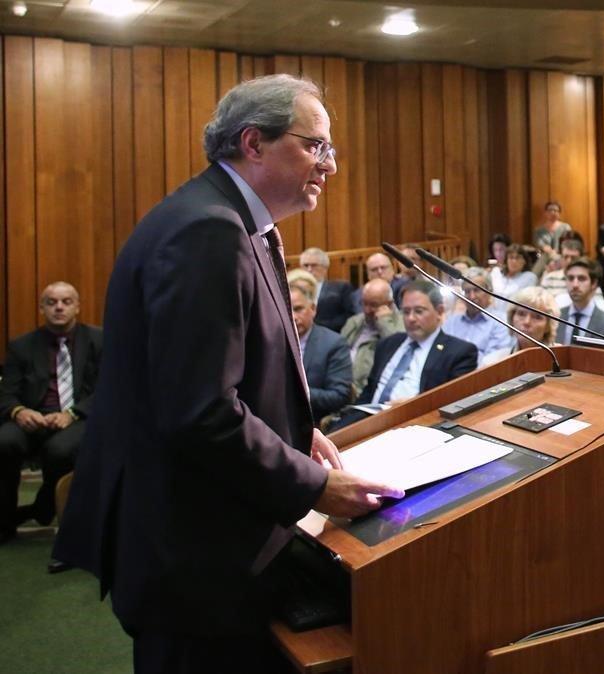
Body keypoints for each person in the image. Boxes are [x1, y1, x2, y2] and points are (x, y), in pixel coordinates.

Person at [54, 75, 405, 671]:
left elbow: (228, 374)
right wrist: (313, 485)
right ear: (253, 142)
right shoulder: (208, 231)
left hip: (204, 536)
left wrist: (294, 433)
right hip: (191, 552)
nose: (330, 166)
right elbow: (198, 410)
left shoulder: (237, 223)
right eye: (315, 146)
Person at [0, 283, 102, 546]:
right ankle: (4, 522)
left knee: (59, 450)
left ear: (77, 307)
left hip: (78, 416)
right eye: (52, 302)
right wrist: (19, 411)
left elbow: (110, 389)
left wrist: (72, 413)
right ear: (42, 308)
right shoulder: (21, 346)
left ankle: (45, 505)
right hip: (33, 417)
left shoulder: (99, 341)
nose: (59, 307)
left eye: (66, 301)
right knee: (4, 442)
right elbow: (6, 393)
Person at [332, 280, 478, 430]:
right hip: (368, 421)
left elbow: (452, 405)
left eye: (419, 311)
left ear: (439, 312)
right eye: (406, 312)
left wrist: (412, 406)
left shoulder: (459, 352)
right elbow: (370, 391)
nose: (411, 318)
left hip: (414, 425)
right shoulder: (388, 344)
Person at [291, 286, 352, 421]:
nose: (293, 317)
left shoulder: (333, 343)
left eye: (298, 309)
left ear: (313, 309)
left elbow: (339, 396)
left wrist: (296, 393)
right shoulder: (273, 341)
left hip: (314, 423)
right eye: (287, 310)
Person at [441, 267, 516, 367]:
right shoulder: (452, 322)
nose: (472, 297)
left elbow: (495, 359)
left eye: (477, 290)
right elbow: (441, 351)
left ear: (489, 291)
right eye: (467, 291)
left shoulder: (501, 321)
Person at [340, 278, 405, 392]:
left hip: (369, 392)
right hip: (344, 387)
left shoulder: (402, 324)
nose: (367, 310)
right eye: (364, 303)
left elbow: (397, 350)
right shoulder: (354, 322)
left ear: (389, 305)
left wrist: (385, 322)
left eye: (373, 305)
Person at [480, 287, 561, 367]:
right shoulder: (491, 363)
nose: (527, 322)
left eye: (537, 317)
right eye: (521, 314)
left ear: (548, 326)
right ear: (512, 318)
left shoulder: (563, 358)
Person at [557, 258, 604, 344]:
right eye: (570, 278)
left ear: (594, 283)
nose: (575, 285)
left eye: (581, 278)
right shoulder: (556, 317)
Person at [300, 247, 356, 333]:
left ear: (325, 268)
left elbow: (350, 316)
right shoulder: (295, 290)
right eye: (306, 265)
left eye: (314, 265)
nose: (309, 269)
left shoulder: (341, 288)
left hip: (332, 335)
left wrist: (318, 327)